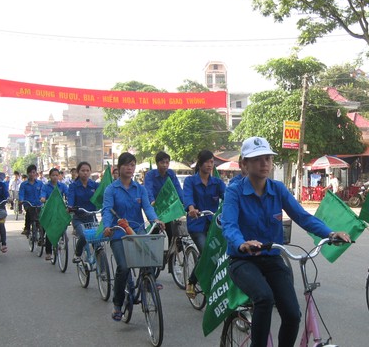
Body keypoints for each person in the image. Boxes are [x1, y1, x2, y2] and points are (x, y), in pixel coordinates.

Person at [221, 136, 351, 347]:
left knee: (292, 314)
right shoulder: (234, 192)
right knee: (264, 298)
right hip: (243, 260)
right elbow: (229, 225)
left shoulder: (278, 189)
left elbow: (302, 217)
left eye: (267, 158)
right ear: (244, 164)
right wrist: (241, 243)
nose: (264, 164)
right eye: (257, 159)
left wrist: (330, 233)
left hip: (272, 260)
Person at [102, 152, 163, 321]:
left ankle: (148, 281)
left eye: (132, 165)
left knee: (149, 257)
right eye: (127, 165)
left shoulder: (140, 188)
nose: (130, 168)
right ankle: (117, 305)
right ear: (119, 168)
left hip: (137, 231)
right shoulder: (111, 189)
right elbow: (107, 210)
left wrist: (155, 220)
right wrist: (107, 226)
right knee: (123, 267)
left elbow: (148, 208)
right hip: (118, 234)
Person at [182, 150, 226, 298]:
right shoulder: (190, 181)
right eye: (207, 161)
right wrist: (191, 208)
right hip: (196, 224)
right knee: (206, 250)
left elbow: (227, 197)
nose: (209, 164)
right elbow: (187, 196)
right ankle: (192, 281)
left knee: (221, 253)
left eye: (212, 162)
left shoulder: (217, 182)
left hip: (215, 225)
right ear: (200, 163)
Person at [144, 151, 183, 262]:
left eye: (167, 162)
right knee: (155, 233)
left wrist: (184, 203)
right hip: (155, 209)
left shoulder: (171, 174)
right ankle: (152, 256)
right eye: (162, 162)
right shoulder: (150, 175)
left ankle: (171, 258)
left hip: (168, 209)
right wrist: (152, 201)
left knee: (173, 232)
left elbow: (178, 189)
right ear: (157, 163)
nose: (165, 165)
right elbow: (148, 190)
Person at [67, 161, 99, 264]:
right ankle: (78, 254)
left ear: (90, 172)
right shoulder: (73, 186)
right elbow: (71, 198)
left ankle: (103, 270)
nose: (85, 173)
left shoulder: (95, 185)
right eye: (83, 170)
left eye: (87, 170)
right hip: (79, 218)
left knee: (97, 241)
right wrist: (70, 207)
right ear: (78, 172)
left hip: (92, 217)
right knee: (84, 236)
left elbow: (102, 195)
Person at [40, 168, 69, 260]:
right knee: (50, 230)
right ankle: (48, 252)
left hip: (60, 209)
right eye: (53, 175)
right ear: (50, 176)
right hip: (49, 209)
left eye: (57, 175)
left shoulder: (62, 186)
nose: (55, 177)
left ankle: (61, 236)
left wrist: (69, 200)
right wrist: (43, 199)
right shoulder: (45, 186)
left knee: (65, 221)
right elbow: (42, 195)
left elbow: (68, 194)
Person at [19, 165, 43, 236]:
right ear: (27, 173)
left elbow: (43, 192)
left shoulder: (40, 183)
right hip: (28, 204)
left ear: (36, 173)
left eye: (33, 172)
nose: (32, 174)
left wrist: (43, 198)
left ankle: (41, 237)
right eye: (30, 172)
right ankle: (27, 228)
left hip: (38, 204)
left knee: (41, 219)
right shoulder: (23, 184)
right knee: (29, 212)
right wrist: (21, 200)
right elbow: (21, 193)